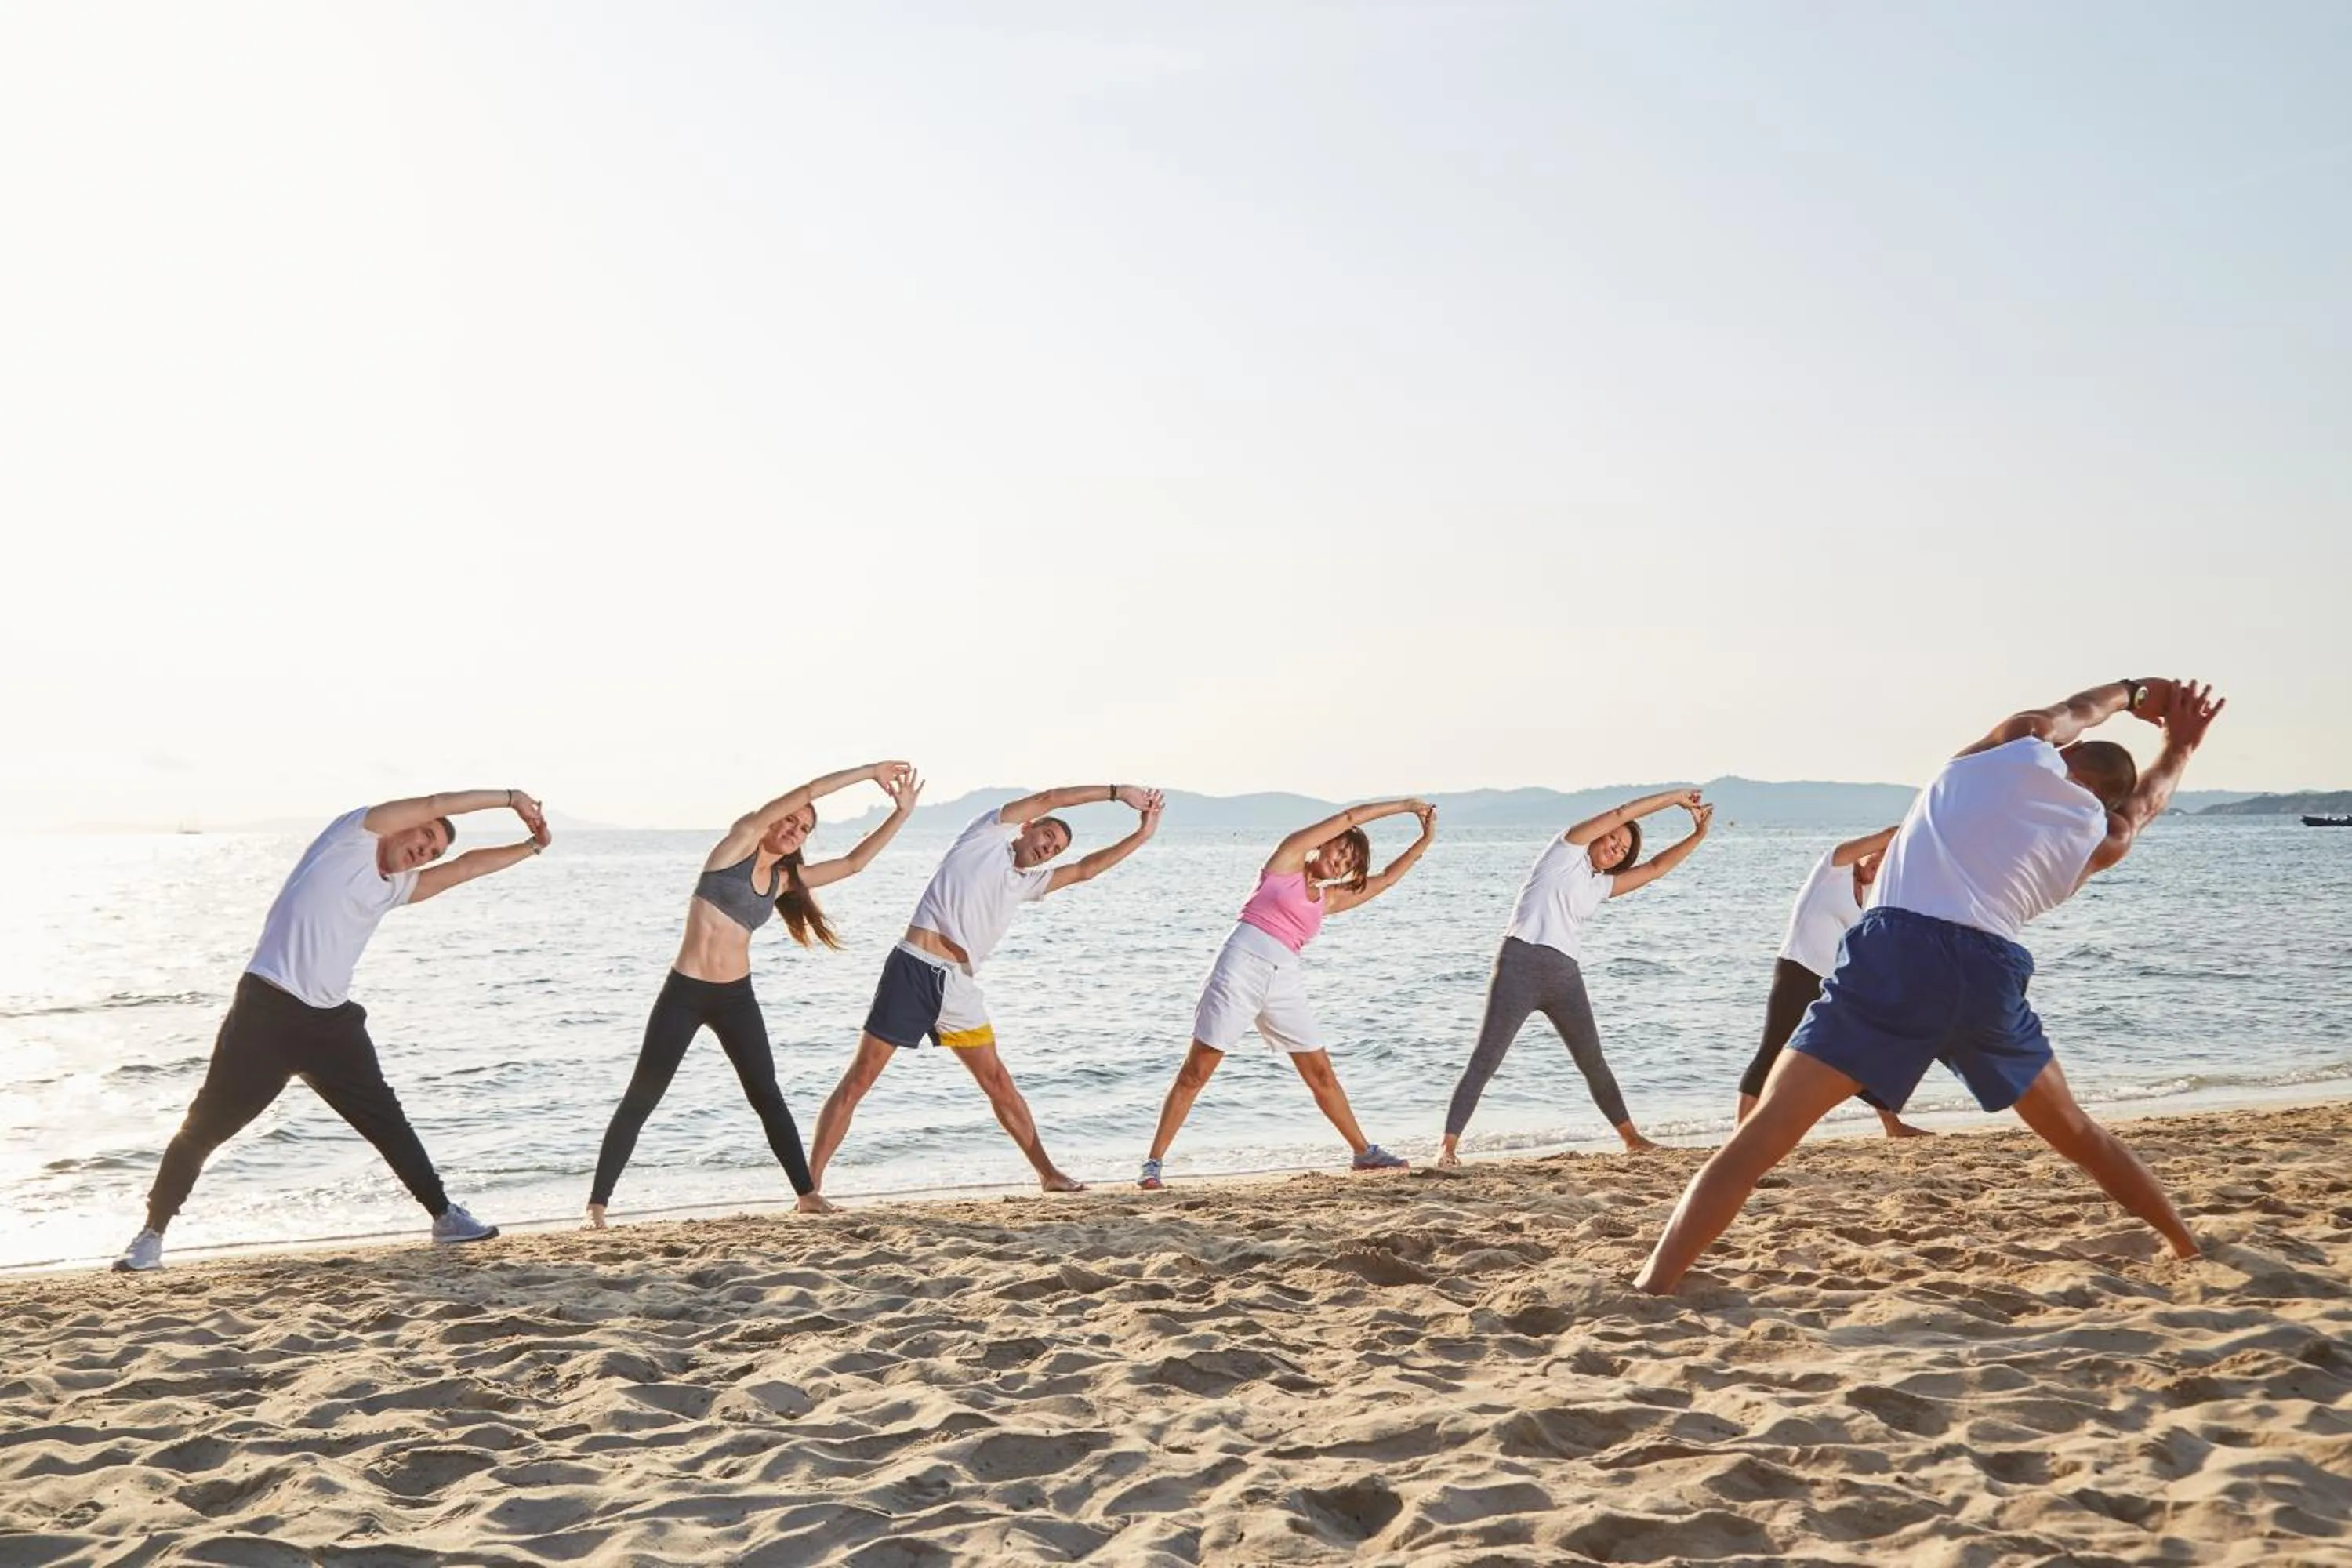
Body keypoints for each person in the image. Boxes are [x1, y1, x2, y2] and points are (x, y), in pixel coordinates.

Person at [1635, 678, 2226, 1294]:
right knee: (2077, 1132)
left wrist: (2133, 695)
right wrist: (2181, 744)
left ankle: (1655, 1283)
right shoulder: (2102, 839)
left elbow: (2074, 713)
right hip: (1989, 974)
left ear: (2069, 756)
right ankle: (2184, 1244)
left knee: (1763, 1135)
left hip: (1899, 953)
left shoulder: (2010, 753)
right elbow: (2146, 804)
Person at [113, 789, 554, 1272]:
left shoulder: (396, 887)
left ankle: (445, 1217)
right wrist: (511, 799)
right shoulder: (350, 838)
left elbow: (468, 867)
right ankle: (150, 1236)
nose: (425, 851)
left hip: (331, 1026)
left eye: (432, 853)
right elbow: (432, 804)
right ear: (400, 825)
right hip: (266, 1012)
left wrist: (533, 846)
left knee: (387, 1122)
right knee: (205, 1128)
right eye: (424, 838)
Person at [586, 761, 920, 1229]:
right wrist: (868, 773)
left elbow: (853, 864)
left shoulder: (782, 882)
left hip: (735, 998)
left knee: (766, 1094)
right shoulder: (736, 846)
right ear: (773, 816)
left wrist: (901, 814)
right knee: (643, 1096)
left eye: (804, 829)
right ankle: (597, 1207)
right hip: (684, 993)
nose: (795, 829)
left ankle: (806, 1195)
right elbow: (808, 789)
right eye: (790, 819)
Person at [804, 783, 1166, 1196]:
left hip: (958, 988)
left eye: (1057, 849)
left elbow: (1086, 870)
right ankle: (810, 1189)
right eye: (1048, 836)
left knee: (998, 1081)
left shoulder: (1025, 884)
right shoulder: (985, 836)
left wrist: (1142, 835)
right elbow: (1051, 798)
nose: (1050, 849)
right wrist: (1118, 793)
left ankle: (1048, 1173)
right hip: (914, 969)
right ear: (1027, 826)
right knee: (859, 1080)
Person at [1138, 799, 1439, 1189]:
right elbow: (1350, 817)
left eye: (1350, 862)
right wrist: (1406, 806)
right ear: (1325, 842)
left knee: (1320, 1073)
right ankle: (1153, 1163)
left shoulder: (1327, 899)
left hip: (1284, 980)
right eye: (1341, 851)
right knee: (1196, 1071)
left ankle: (1364, 1153)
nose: (1342, 863)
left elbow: (1386, 880)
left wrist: (1425, 840)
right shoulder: (1286, 861)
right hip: (1240, 967)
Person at [1437, 789, 1715, 1166]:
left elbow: (1653, 869)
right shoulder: (1564, 851)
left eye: (1623, 849)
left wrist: (1697, 836)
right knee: (1486, 1058)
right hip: (1520, 964)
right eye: (1614, 837)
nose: (1616, 846)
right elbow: (1623, 809)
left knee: (1592, 1060)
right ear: (1601, 832)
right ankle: (1447, 1148)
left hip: (1564, 975)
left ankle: (1632, 1139)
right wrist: (1675, 799)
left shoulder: (1600, 884)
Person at [1736, 827, 1930, 1137]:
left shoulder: (1872, 897)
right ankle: (1740, 1133)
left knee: (1861, 1051)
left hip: (1834, 984)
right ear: (1870, 849)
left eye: (1888, 865)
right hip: (1797, 972)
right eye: (1878, 857)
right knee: (1772, 1050)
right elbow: (1891, 833)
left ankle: (1892, 1125)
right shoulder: (1834, 867)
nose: (1878, 867)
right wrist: (1922, 827)